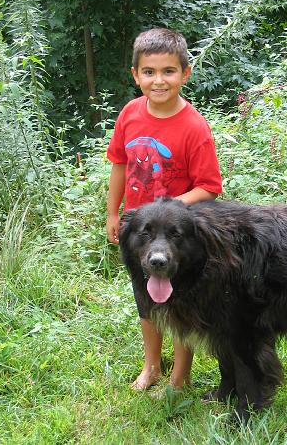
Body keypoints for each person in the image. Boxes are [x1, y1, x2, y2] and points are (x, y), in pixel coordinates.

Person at [106, 28, 222, 390]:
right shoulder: (129, 114)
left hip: (177, 239)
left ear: (185, 73)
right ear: (135, 75)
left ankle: (180, 375)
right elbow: (119, 164)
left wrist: (170, 205)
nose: (159, 80)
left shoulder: (194, 127)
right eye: (149, 72)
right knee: (147, 299)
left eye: (168, 71)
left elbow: (209, 187)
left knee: (181, 303)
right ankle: (151, 366)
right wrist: (113, 213)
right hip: (142, 235)